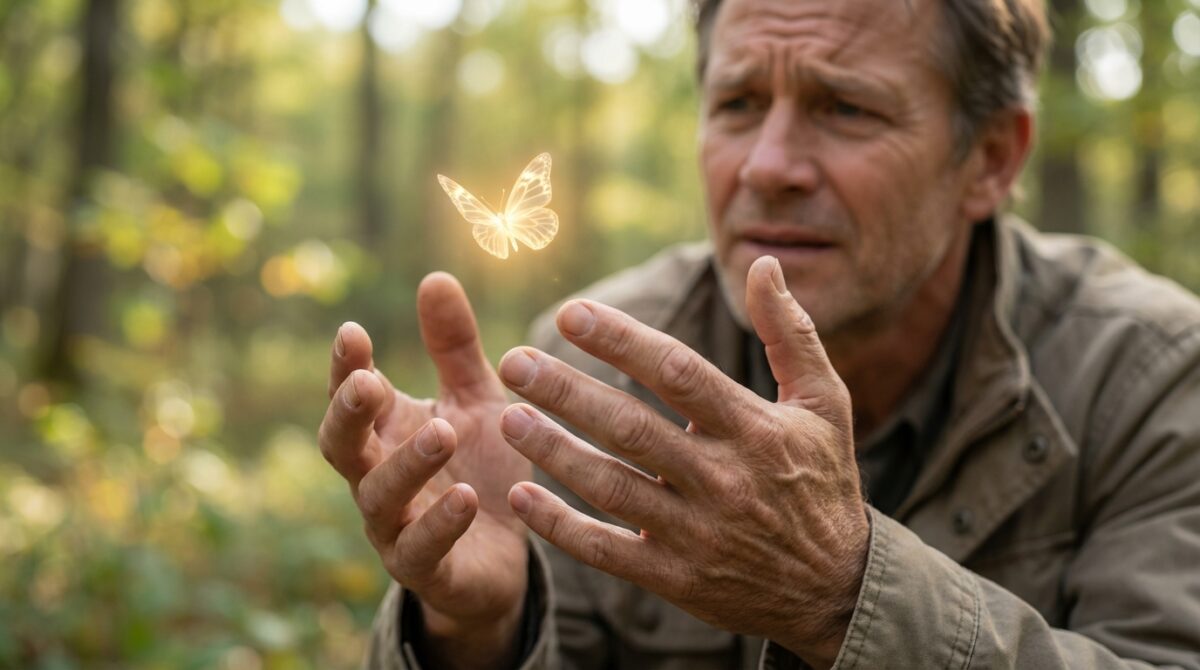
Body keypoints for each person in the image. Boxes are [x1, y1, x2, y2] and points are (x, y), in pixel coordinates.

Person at [318, 0, 1200, 667]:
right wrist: (480, 634)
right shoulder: (596, 370)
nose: (767, 165)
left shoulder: (1153, 378)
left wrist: (844, 590)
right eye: (738, 102)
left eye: (845, 108)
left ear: (992, 159)